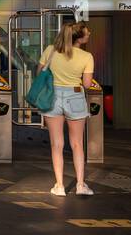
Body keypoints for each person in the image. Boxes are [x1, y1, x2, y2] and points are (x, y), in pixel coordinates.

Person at [38, 21, 95, 197]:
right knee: (77, 144)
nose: (89, 34)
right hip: (75, 97)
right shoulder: (87, 57)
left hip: (52, 97)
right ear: (79, 38)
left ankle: (60, 186)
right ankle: (80, 185)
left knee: (57, 144)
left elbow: (40, 72)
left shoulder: (50, 50)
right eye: (87, 32)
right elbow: (86, 84)